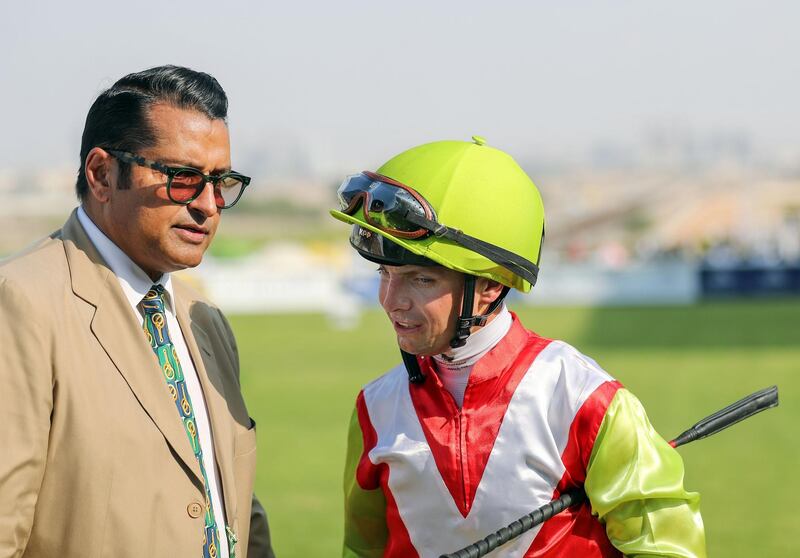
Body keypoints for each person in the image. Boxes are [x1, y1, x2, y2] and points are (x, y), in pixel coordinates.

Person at [332, 137, 706, 557]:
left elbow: (668, 549)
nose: (391, 300)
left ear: (491, 284)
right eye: (385, 273)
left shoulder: (584, 398)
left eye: (421, 279)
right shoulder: (374, 409)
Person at [0, 66, 274, 558]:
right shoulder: (21, 305)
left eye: (221, 182)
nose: (208, 205)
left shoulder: (203, 319)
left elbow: (226, 503)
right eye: (184, 178)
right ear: (102, 174)